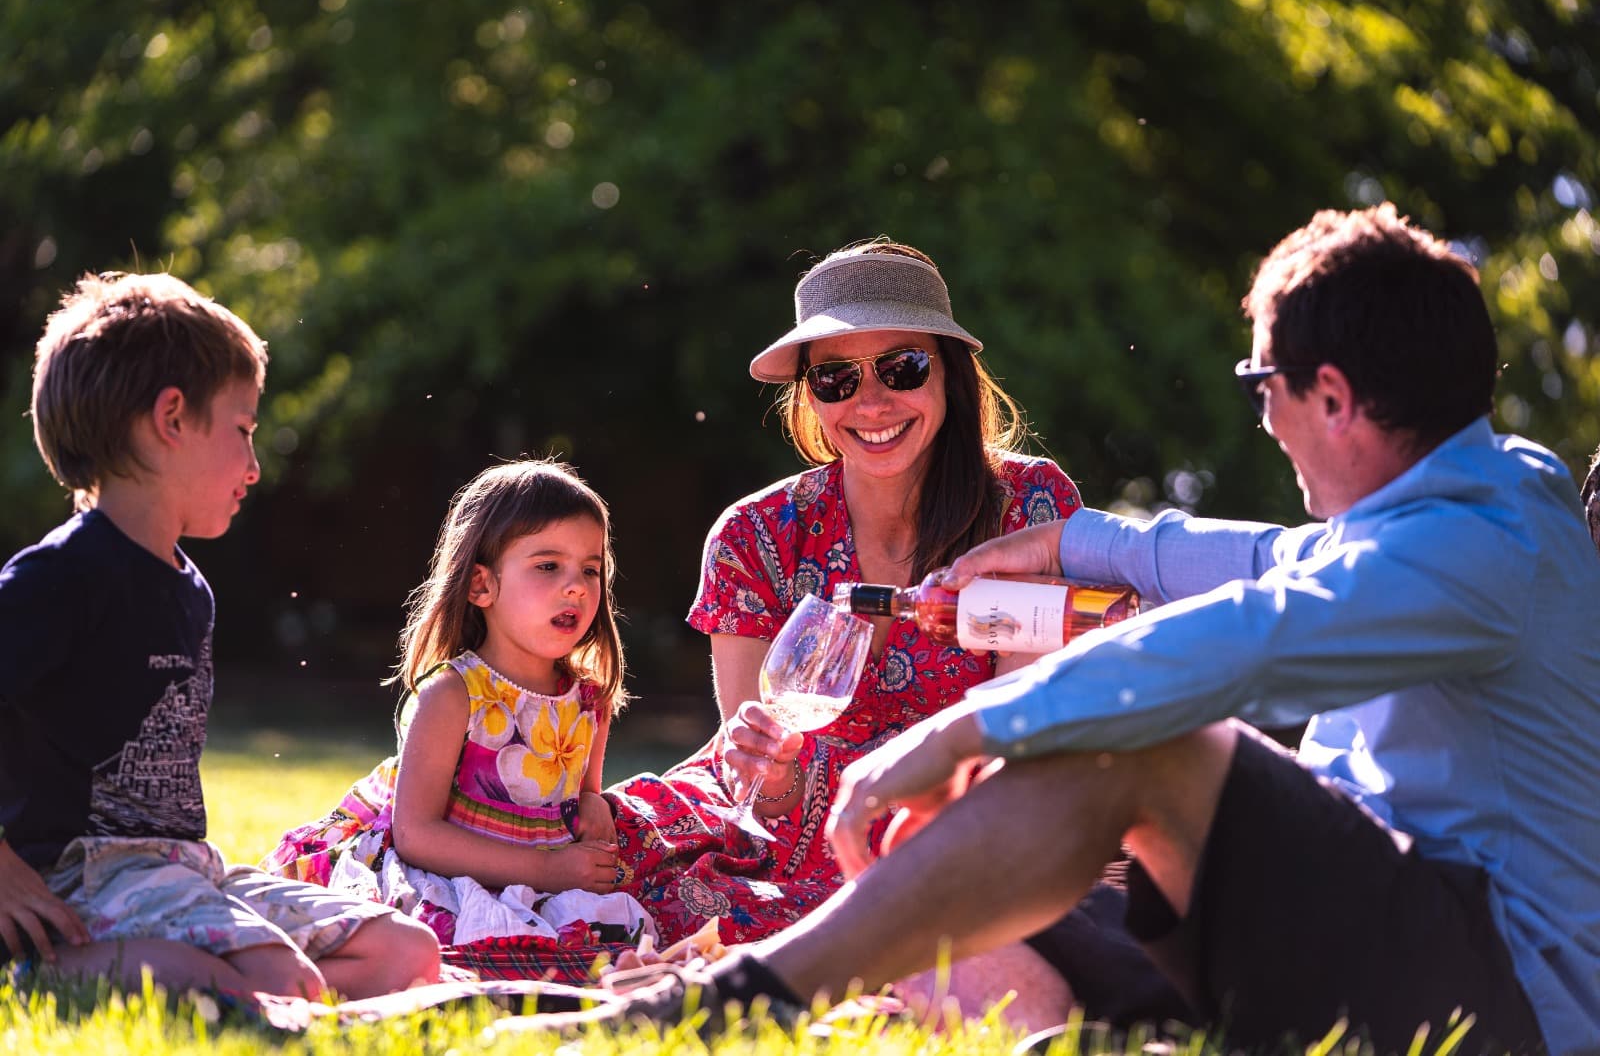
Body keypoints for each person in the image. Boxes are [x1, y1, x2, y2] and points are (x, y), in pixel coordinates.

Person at [557, 205, 1600, 1054]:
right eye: (836, 378)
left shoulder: (1473, 549)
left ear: (1327, 396)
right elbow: (1263, 559)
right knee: (963, 932)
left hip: (1495, 989)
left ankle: (739, 996)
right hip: (1378, 930)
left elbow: (1241, 638)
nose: (1264, 421)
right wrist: (1073, 546)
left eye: (1259, 388)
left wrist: (947, 739)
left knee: (1158, 743)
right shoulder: (1484, 497)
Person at [599, 239, 1150, 1028]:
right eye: (836, 378)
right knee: (590, 865)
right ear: (809, 397)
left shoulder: (1028, 506)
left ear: (949, 375)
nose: (873, 403)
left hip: (960, 825)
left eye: (902, 368)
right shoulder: (755, 535)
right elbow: (750, 778)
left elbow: (1017, 736)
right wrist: (774, 768)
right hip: (792, 842)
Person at [0, 272, 441, 1000]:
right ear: (172, 417)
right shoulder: (60, 576)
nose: (255, 465)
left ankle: (256, 992)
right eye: (242, 430)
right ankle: (37, 973)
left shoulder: (190, 590)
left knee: (406, 953)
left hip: (184, 869)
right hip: (75, 881)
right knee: (269, 980)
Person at [265, 461, 655, 965]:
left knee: (607, 948)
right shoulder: (454, 694)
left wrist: (593, 807)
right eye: (547, 566)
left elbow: (583, 791)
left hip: (539, 885)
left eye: (590, 569)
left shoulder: (588, 702)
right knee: (438, 952)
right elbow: (416, 835)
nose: (576, 587)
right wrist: (548, 872)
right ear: (481, 586)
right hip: (440, 878)